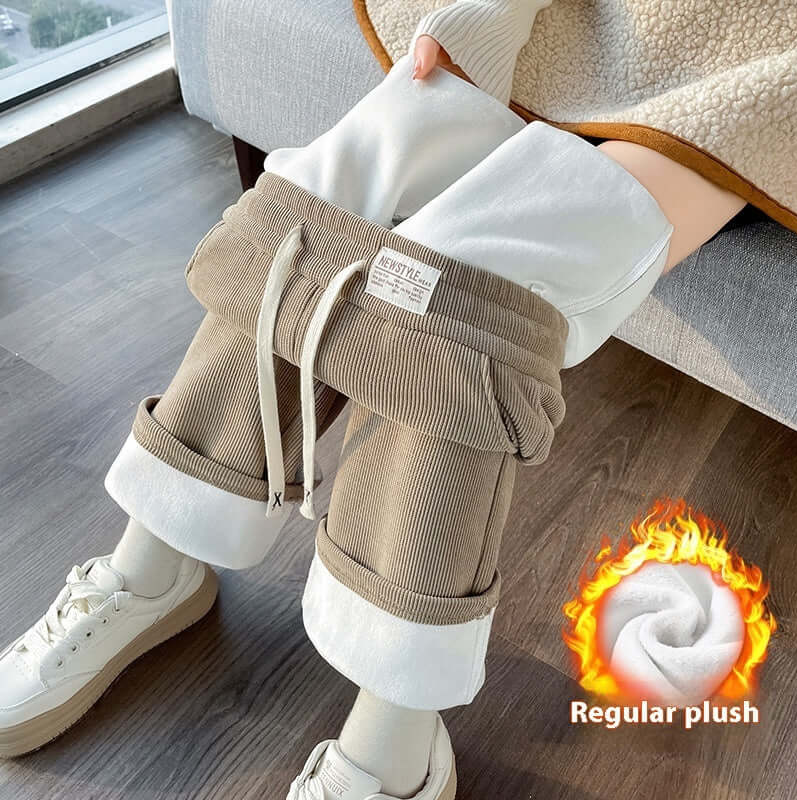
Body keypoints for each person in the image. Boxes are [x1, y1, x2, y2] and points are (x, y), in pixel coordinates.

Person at [0, 2, 746, 798]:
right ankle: (152, 568)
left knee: (455, 297)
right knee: (314, 201)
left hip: (750, 73)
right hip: (601, 25)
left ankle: (397, 734)